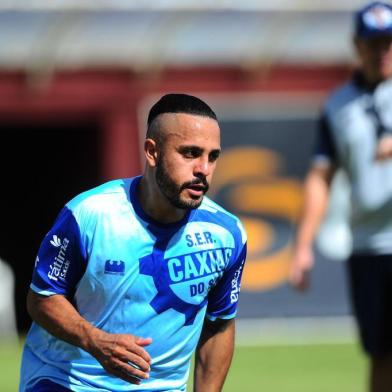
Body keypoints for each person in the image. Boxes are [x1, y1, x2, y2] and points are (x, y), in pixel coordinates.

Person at [19, 93, 247, 392]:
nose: (203, 169)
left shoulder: (227, 233)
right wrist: (95, 341)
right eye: (190, 153)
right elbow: (42, 299)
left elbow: (219, 324)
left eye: (212, 156)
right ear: (152, 152)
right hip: (67, 381)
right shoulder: (90, 215)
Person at [290, 2, 392, 392]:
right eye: (373, 43)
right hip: (366, 247)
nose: (382, 51)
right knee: (379, 351)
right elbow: (320, 177)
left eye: (388, 42)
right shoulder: (337, 105)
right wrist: (302, 245)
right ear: (357, 45)